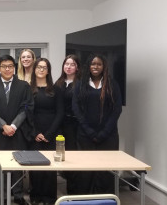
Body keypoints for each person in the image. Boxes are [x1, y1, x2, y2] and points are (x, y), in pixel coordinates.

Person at [72, 54, 122, 194]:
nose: (95, 66)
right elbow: (76, 109)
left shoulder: (112, 85)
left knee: (105, 171)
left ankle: (105, 199)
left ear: (104, 66)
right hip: (85, 135)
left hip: (108, 136)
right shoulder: (81, 84)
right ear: (88, 66)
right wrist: (89, 131)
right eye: (93, 64)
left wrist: (104, 132)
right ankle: (85, 199)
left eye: (99, 64)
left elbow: (117, 110)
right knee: (85, 170)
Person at [0, 55, 34, 205]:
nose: (7, 69)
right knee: (0, 164)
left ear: (14, 67)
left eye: (10, 66)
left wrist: (13, 126)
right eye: (4, 66)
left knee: (17, 162)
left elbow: (26, 107)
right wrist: (3, 126)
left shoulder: (23, 86)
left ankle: (18, 194)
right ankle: (3, 195)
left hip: (18, 131)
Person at [29, 58, 64, 205]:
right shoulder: (28, 89)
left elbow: (60, 113)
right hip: (34, 132)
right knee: (35, 166)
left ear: (48, 71)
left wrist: (49, 134)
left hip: (52, 132)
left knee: (50, 166)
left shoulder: (56, 89)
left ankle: (49, 198)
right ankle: (36, 196)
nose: (41, 70)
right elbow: (27, 112)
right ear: (34, 69)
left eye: (44, 67)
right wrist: (35, 132)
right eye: (39, 67)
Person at [54, 54, 81, 194]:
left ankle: (74, 191)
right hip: (60, 124)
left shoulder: (81, 84)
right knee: (61, 156)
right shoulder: (58, 83)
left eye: (72, 64)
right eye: (66, 64)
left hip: (75, 125)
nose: (68, 67)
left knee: (73, 156)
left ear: (77, 67)